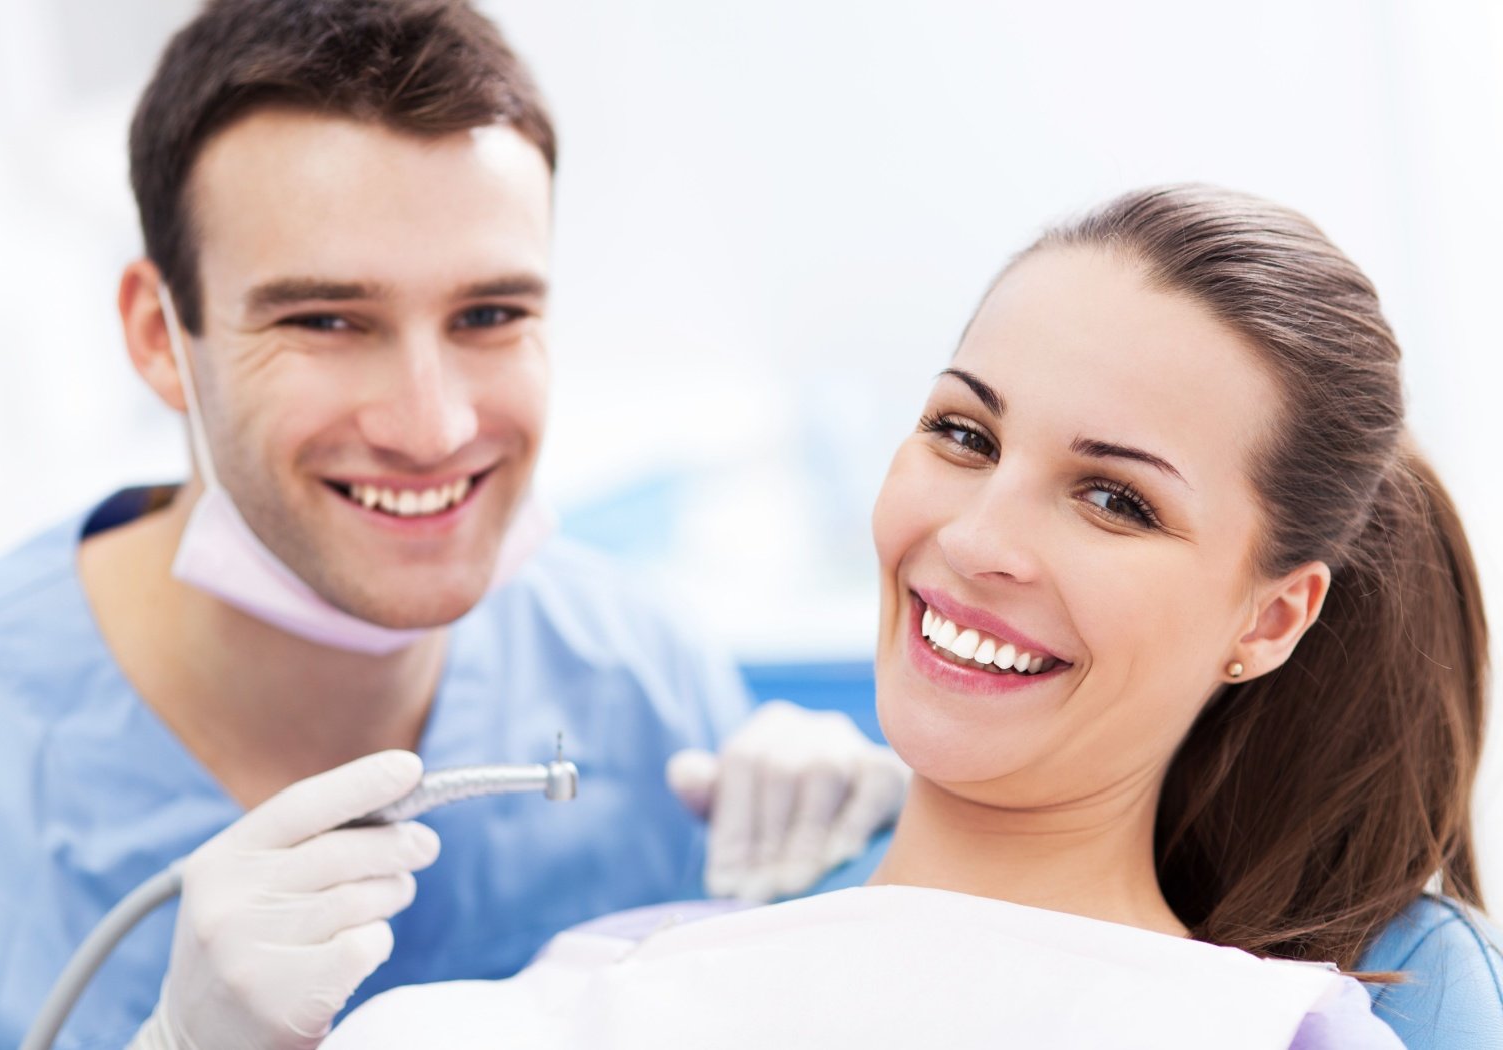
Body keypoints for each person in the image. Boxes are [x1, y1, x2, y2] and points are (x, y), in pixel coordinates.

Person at [0, 2, 906, 1048]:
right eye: (326, 321)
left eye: (490, 315)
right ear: (161, 337)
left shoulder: (643, 682)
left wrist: (869, 881)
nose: (433, 426)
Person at [323, 184, 1499, 1049]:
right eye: (963, 434)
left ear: (1271, 619)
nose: (980, 539)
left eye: (1113, 500)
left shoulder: (1276, 1034)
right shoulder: (556, 1002)